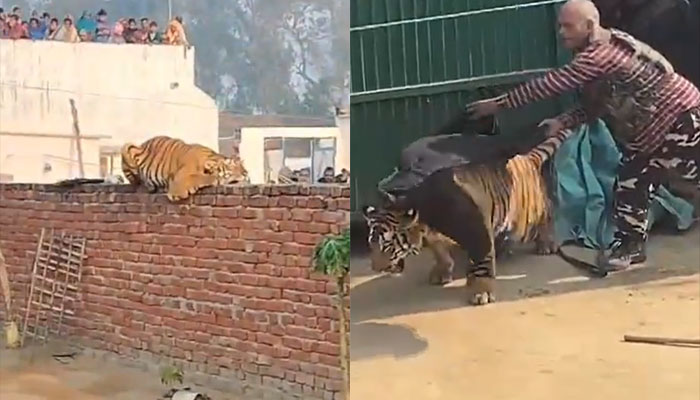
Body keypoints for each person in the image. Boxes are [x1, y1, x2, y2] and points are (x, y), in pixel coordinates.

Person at [465, 0, 700, 270]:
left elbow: (549, 84)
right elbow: (596, 106)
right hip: (655, 133)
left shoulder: (600, 55)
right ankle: (630, 247)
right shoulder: (600, 55)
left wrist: (498, 104)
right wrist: (564, 121)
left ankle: (629, 245)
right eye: (560, 26)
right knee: (631, 184)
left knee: (679, 177)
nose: (561, 32)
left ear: (589, 26)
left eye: (568, 26)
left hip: (680, 122)